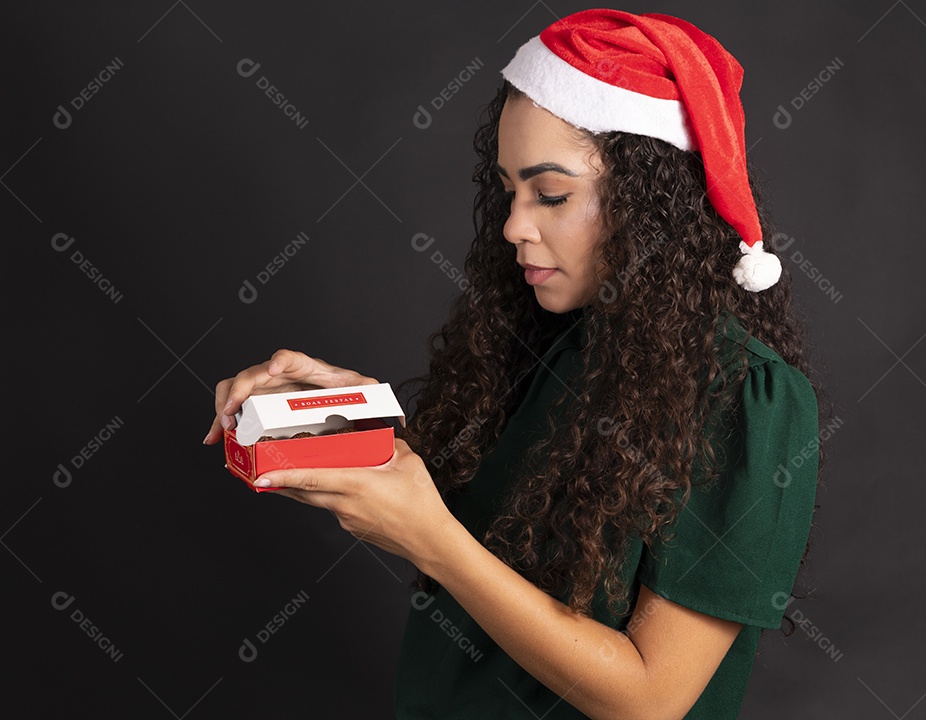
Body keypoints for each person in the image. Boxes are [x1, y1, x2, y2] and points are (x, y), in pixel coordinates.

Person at [205, 9, 824, 719]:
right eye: (508, 190)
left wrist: (432, 543)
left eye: (551, 195)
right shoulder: (571, 345)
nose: (512, 226)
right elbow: (494, 523)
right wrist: (344, 413)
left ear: (656, 207)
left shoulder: (749, 396)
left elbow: (651, 700)